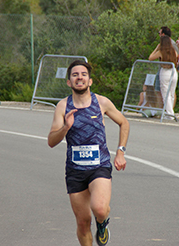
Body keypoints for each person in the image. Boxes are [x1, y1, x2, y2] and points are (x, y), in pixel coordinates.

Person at [48, 60, 129, 246]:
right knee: (83, 223)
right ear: (69, 82)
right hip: (75, 171)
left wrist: (120, 152)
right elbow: (51, 141)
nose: (79, 78)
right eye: (75, 75)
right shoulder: (62, 106)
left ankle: (102, 224)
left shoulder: (101, 102)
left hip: (99, 166)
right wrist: (65, 128)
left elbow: (124, 123)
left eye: (83, 74)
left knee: (99, 209)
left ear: (90, 81)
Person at [150, 35, 178, 117]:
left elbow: (151, 58)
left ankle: (170, 113)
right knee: (172, 93)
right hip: (173, 71)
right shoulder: (173, 51)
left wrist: (156, 49)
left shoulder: (161, 52)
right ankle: (170, 111)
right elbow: (177, 57)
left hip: (165, 72)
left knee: (166, 94)